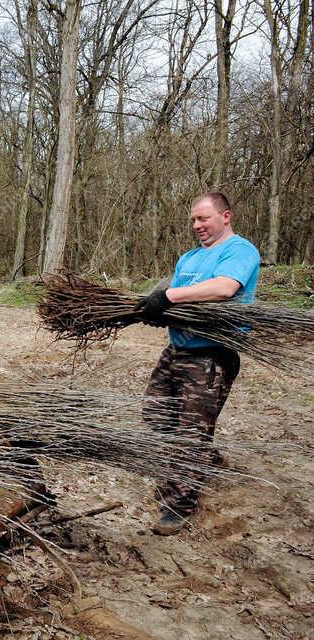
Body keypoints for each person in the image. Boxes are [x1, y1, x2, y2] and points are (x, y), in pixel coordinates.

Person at [134, 192, 260, 536]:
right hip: (178, 350)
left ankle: (180, 505)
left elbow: (224, 288)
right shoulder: (189, 257)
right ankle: (203, 457)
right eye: (193, 220)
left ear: (226, 216)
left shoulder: (239, 251)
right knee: (157, 414)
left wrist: (168, 297)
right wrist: (158, 312)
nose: (197, 225)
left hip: (210, 355)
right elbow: (176, 295)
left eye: (203, 218)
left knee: (190, 433)